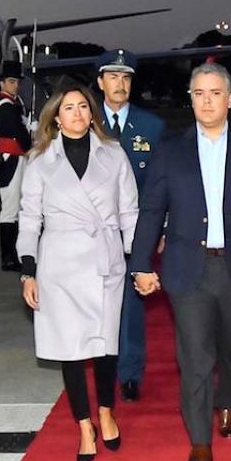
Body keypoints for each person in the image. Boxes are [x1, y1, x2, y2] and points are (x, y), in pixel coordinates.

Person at [129, 63, 231, 461]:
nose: (207, 101)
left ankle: (229, 402)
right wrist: (141, 263)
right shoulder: (170, 151)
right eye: (199, 93)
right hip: (187, 271)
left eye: (215, 93)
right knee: (195, 357)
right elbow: (151, 211)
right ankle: (200, 441)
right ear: (191, 98)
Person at [18, 87, 138, 461]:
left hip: (106, 260)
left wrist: (139, 259)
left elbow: (130, 209)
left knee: (104, 346)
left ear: (92, 112)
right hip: (60, 266)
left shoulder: (114, 153)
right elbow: (28, 217)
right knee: (70, 349)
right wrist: (28, 271)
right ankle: (84, 423)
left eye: (83, 106)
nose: (77, 113)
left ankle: (105, 410)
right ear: (56, 117)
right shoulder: (38, 162)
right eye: (68, 108)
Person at [96, 49, 165, 402]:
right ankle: (100, 366)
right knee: (95, 302)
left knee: (132, 302)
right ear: (100, 82)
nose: (119, 84)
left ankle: (130, 372)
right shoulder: (85, 122)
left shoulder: (151, 127)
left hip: (136, 229)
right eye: (113, 77)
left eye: (125, 78)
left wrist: (162, 229)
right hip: (92, 231)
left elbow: (159, 181)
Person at [0, 60, 33, 271]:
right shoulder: (7, 107)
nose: (15, 85)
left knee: (17, 207)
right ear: (2, 83)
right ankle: (8, 257)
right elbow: (20, 136)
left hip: (17, 159)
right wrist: (32, 145)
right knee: (9, 210)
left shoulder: (14, 104)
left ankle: (14, 253)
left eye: (17, 81)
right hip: (11, 160)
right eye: (11, 81)